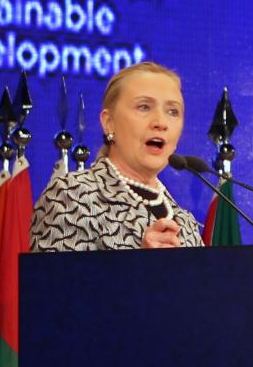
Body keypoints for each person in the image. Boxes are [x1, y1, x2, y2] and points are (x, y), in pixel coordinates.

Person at [30, 61, 205, 252]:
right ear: (109, 123)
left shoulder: (186, 224)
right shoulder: (72, 195)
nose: (161, 122)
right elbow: (56, 273)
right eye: (144, 107)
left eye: (173, 111)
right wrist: (141, 263)